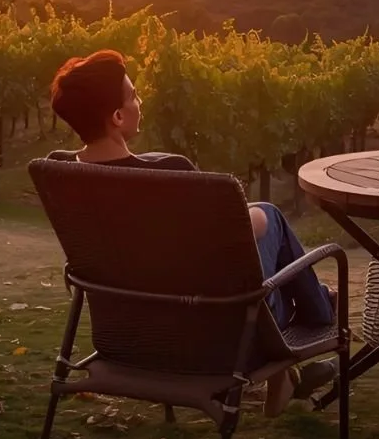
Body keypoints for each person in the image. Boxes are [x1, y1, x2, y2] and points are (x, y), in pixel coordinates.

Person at [47, 49, 336, 416]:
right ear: (118, 117)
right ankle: (321, 309)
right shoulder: (169, 173)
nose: (140, 100)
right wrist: (261, 219)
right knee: (271, 218)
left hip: (131, 339)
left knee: (264, 218)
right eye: (133, 95)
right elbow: (221, 252)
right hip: (217, 343)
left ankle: (290, 371)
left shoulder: (65, 178)